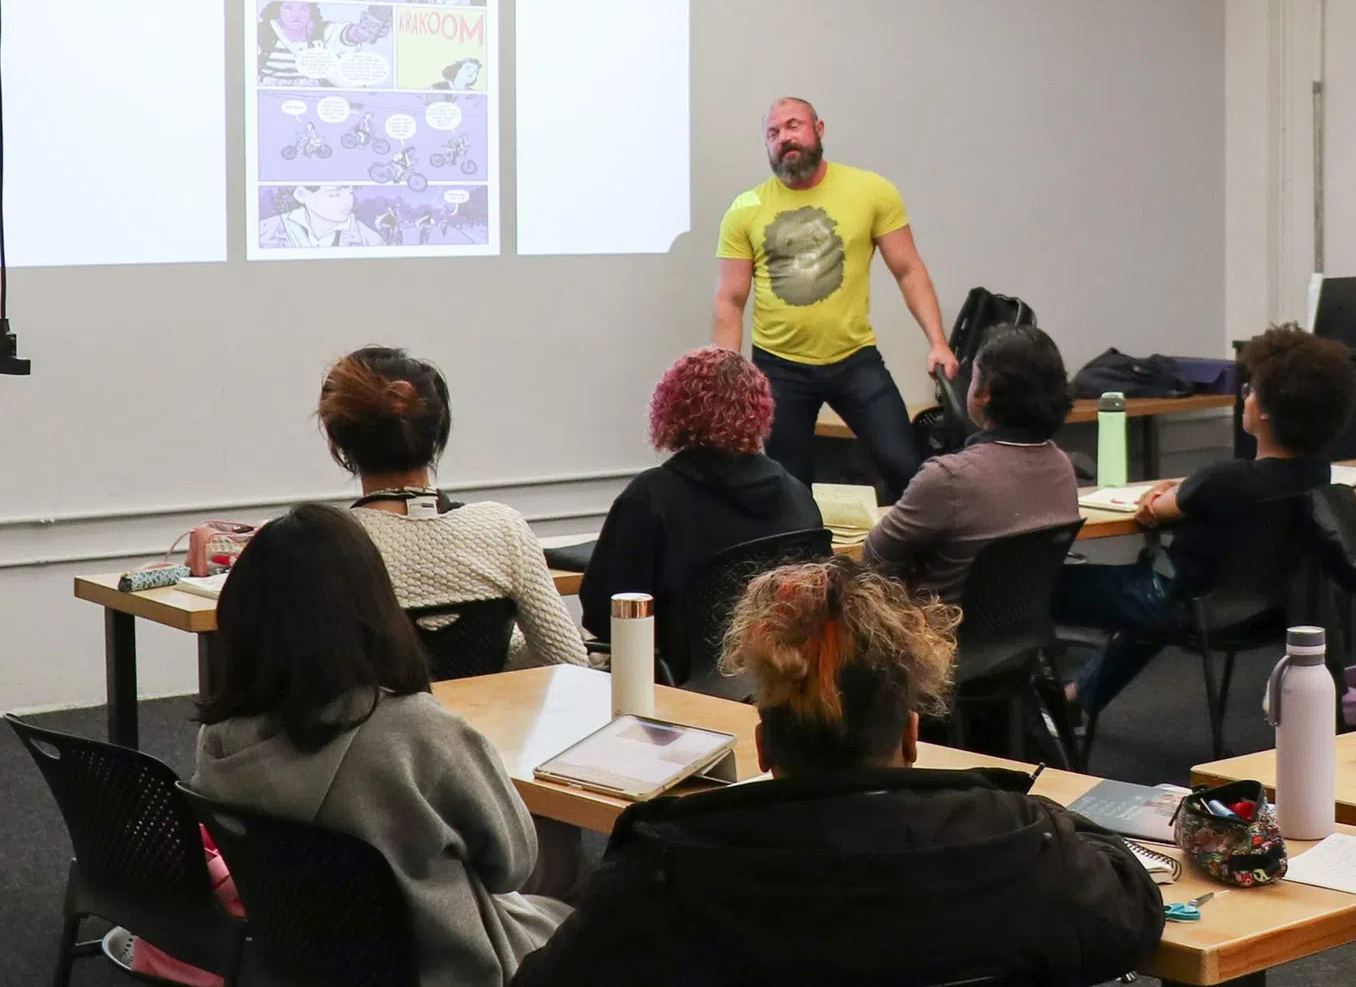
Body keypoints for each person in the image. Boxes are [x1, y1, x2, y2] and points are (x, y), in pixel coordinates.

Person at [514, 558, 1164, 987]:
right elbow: (1132, 913)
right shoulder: (1021, 844)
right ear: (911, 737)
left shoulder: (665, 868)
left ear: (764, 745)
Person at [190, 506, 566, 987]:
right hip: (446, 966)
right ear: (373, 609)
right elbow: (512, 864)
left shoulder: (219, 740)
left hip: (295, 965)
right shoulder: (419, 734)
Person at [1052, 323, 1353, 720]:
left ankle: (1030, 712)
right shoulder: (1316, 474)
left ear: (1264, 410)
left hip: (1185, 608)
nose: (1244, 398)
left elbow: (1155, 509)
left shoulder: (1222, 479)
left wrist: (1166, 490)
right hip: (1259, 613)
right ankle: (1074, 700)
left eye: (1250, 391)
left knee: (1041, 588)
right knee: (1147, 606)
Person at [712, 97, 957, 498]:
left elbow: (908, 270)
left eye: (794, 126)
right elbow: (730, 299)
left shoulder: (871, 191)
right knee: (788, 492)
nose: (784, 138)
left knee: (907, 469)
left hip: (854, 360)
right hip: (780, 368)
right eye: (773, 133)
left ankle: (911, 559)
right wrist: (730, 379)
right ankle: (802, 563)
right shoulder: (745, 209)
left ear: (819, 129)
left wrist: (938, 343)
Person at [321, 348, 588, 671]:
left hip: (378, 722)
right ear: (437, 431)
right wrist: (498, 649)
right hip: (491, 721)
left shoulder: (319, 546)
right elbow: (568, 663)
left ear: (337, 441)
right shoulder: (502, 528)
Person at [582, 347, 825, 641]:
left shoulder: (650, 499)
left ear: (672, 410)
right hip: (779, 676)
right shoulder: (795, 493)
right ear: (759, 411)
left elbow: (603, 615)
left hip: (676, 683)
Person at [864, 324, 1081, 600]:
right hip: (1021, 631)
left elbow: (874, 557)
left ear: (985, 392)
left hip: (935, 634)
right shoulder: (1061, 465)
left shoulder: (948, 477)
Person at [257, 182, 386, 249]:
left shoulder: (370, 239)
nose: (348, 202)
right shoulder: (264, 232)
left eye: (351, 193)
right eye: (334, 194)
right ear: (302, 195)